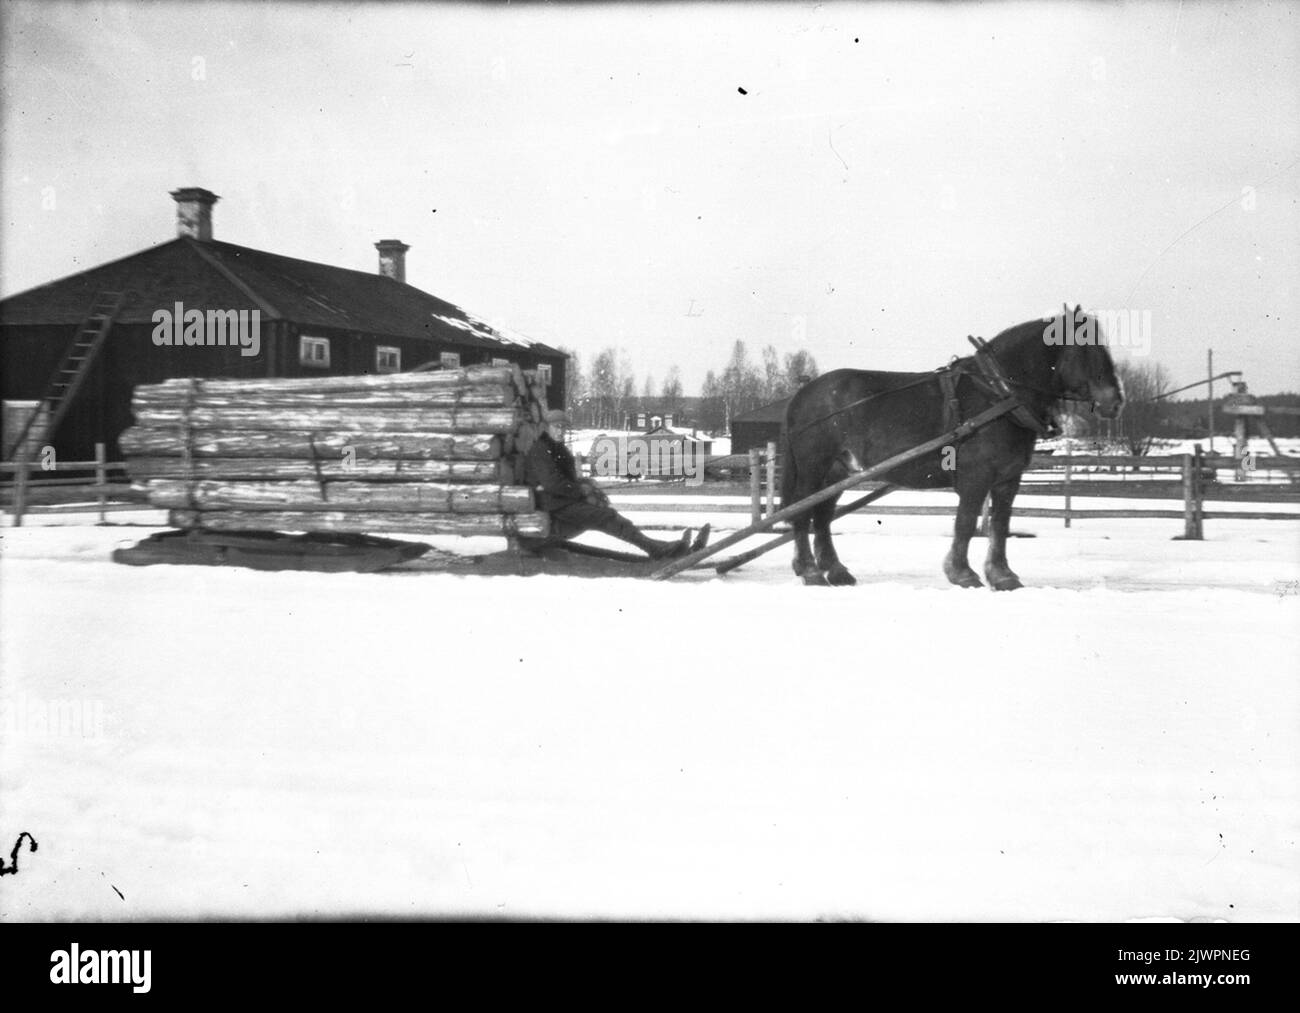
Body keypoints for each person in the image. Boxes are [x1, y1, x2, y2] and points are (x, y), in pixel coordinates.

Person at [520, 412, 708, 560]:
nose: (560, 431)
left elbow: (564, 480)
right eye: (556, 427)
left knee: (605, 515)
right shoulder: (541, 450)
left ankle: (659, 548)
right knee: (607, 516)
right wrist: (581, 491)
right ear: (546, 428)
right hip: (554, 505)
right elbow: (553, 483)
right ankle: (657, 549)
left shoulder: (557, 448)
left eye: (563, 427)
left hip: (562, 502)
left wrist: (586, 485)